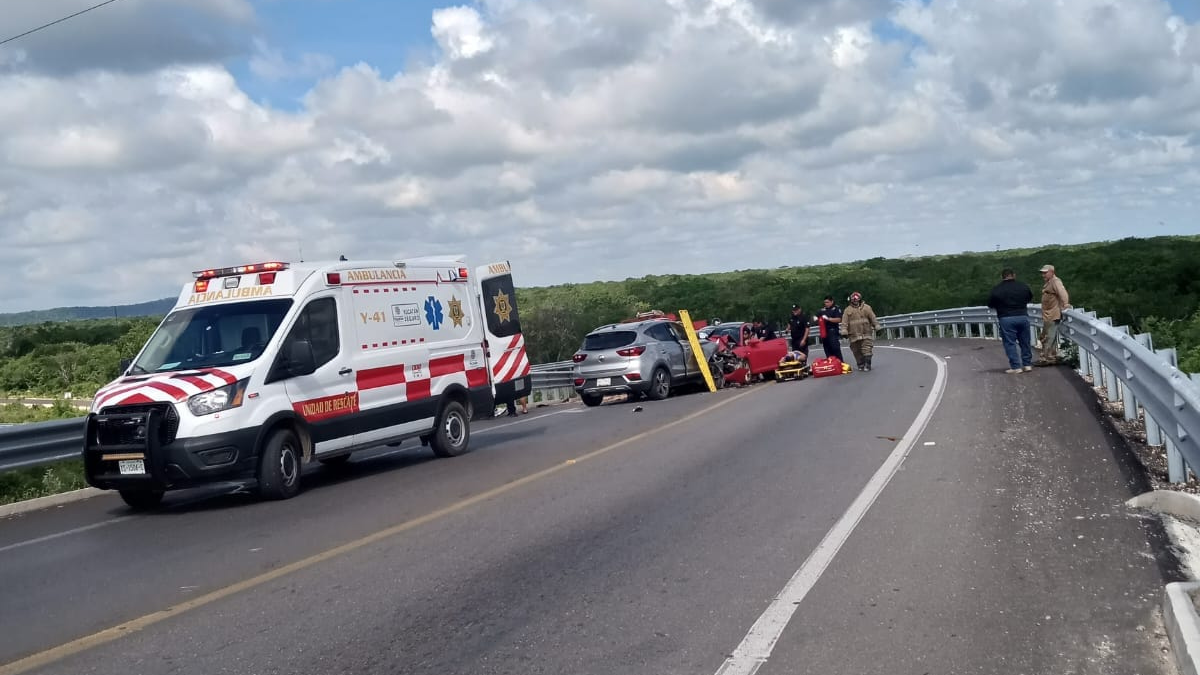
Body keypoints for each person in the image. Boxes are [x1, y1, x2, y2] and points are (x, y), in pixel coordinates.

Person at [987, 268, 1034, 374]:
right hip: (1022, 316)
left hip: (1006, 318)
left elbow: (991, 304)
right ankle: (1027, 364)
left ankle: (1016, 366)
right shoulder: (1023, 286)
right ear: (1014, 275)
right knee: (1025, 342)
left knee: (1010, 343)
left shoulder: (997, 289)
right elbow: (1029, 297)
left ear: (1002, 277)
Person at [1036, 264, 1070, 365]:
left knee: (1047, 337)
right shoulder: (1048, 282)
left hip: (1052, 314)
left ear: (1052, 272)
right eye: (1042, 273)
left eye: (1045, 273)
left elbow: (1062, 292)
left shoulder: (1056, 281)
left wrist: (1066, 304)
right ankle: (1051, 356)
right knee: (1048, 336)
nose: (1043, 275)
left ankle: (1045, 358)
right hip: (1048, 314)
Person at [842, 291, 879, 371]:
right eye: (853, 300)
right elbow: (844, 322)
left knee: (867, 348)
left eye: (856, 300)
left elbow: (873, 317)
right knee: (856, 350)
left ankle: (868, 364)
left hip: (866, 332)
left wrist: (876, 325)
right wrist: (844, 331)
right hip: (853, 334)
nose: (855, 301)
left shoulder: (867, 308)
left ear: (859, 299)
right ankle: (860, 364)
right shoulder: (847, 310)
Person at [815, 295, 844, 362]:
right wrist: (815, 318)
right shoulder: (822, 310)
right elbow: (815, 316)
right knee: (827, 348)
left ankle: (840, 361)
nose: (826, 304)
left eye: (827, 302)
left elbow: (839, 319)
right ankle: (831, 362)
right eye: (825, 302)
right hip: (824, 332)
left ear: (832, 302)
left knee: (835, 347)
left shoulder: (836, 309)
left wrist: (828, 319)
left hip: (832, 330)